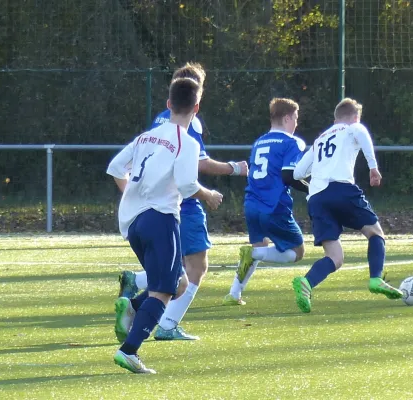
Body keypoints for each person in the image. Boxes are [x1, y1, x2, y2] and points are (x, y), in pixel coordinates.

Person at [114, 62, 248, 341]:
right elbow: (196, 167)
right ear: (197, 100)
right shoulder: (189, 126)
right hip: (178, 205)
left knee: (173, 274)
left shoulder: (159, 121)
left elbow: (119, 167)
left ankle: (137, 291)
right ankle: (160, 326)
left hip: (143, 209)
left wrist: (133, 194)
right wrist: (232, 169)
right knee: (192, 270)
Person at [107, 77, 223, 373]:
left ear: (169, 104)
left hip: (134, 223)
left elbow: (116, 167)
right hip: (161, 218)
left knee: (179, 283)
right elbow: (186, 183)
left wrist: (133, 193)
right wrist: (208, 194)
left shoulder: (146, 137)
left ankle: (133, 306)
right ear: (196, 107)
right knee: (163, 291)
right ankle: (129, 351)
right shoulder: (188, 142)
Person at [291, 98, 402, 313]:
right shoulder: (353, 128)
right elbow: (361, 133)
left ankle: (306, 283)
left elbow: (297, 173)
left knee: (335, 257)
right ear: (355, 117)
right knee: (375, 233)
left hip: (316, 199)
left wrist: (317, 184)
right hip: (341, 189)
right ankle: (376, 279)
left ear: (335, 119)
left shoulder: (320, 139)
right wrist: (373, 167)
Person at [223, 98, 309, 306]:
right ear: (287, 118)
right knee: (297, 252)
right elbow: (289, 175)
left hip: (252, 203)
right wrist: (312, 189)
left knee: (259, 245)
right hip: (274, 205)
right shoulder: (293, 142)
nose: (296, 123)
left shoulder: (259, 141)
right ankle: (253, 254)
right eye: (295, 118)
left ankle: (234, 294)